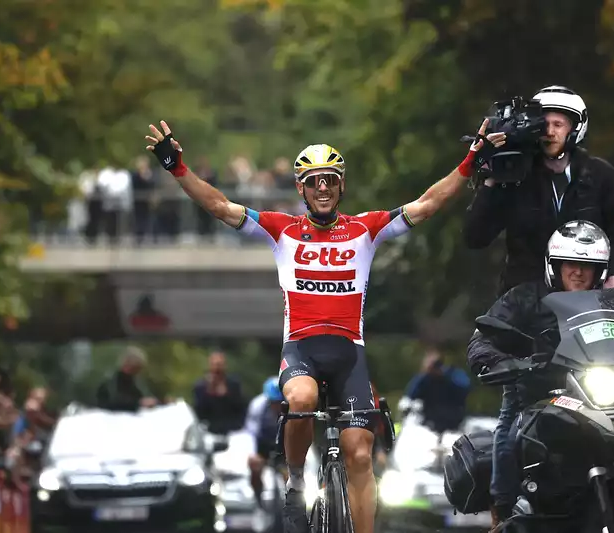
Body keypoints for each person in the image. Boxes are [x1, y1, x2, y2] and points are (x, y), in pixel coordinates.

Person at [144, 118, 506, 533]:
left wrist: (472, 158)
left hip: (349, 353)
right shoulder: (282, 230)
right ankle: (296, 484)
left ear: (341, 186)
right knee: (301, 399)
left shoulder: (364, 230)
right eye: (314, 181)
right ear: (301, 188)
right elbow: (219, 207)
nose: (323, 188)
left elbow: (426, 204)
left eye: (330, 181)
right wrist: (176, 167)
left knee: (361, 456)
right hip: (301, 349)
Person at [465, 220, 614, 531]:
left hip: (606, 392)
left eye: (588, 266)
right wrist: (496, 360)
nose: (577, 272)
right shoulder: (524, 298)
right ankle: (503, 514)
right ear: (553, 265)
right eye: (570, 263)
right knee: (507, 441)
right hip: (537, 389)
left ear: (601, 271)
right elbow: (483, 337)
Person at [463, 86, 614, 295]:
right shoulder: (516, 176)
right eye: (544, 125)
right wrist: (491, 179)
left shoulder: (602, 176)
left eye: (558, 125)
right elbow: (475, 237)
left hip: (588, 299)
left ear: (574, 129)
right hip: (524, 305)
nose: (550, 132)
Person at [245, 377, 287, 529]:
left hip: (284, 444)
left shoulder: (291, 404)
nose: (276, 405)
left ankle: (293, 504)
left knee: (290, 472)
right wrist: (253, 455)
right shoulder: (257, 405)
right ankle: (258, 502)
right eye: (273, 402)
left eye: (279, 402)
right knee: (254, 466)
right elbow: (250, 432)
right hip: (262, 443)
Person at [401, 348, 470, 433]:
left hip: (454, 423)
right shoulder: (424, 379)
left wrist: (446, 378)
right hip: (429, 424)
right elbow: (410, 395)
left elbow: (466, 388)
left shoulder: (453, 375)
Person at [192, 351, 246, 435]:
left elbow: (241, 408)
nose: (217, 368)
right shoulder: (201, 386)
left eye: (220, 364)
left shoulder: (234, 384)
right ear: (210, 366)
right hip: (208, 430)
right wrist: (209, 391)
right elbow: (198, 413)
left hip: (233, 430)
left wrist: (227, 394)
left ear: (225, 366)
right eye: (215, 364)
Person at [95, 346, 157, 412]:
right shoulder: (110, 384)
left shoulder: (136, 382)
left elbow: (144, 396)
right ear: (127, 365)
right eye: (135, 368)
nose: (137, 373)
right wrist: (138, 403)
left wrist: (158, 401)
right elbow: (114, 403)